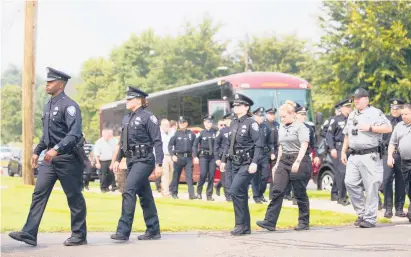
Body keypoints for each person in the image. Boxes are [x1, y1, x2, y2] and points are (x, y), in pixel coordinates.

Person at [9, 67, 87, 246]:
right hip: (50, 160)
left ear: (61, 84)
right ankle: (29, 233)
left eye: (51, 82)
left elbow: (74, 134)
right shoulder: (48, 105)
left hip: (68, 159)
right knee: (39, 193)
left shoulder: (70, 106)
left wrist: (57, 149)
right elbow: (46, 136)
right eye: (47, 81)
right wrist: (37, 151)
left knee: (74, 197)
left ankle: (79, 235)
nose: (47, 84)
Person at [110, 86, 163, 241]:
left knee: (128, 189)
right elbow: (123, 142)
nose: (126, 101)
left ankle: (123, 231)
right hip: (132, 160)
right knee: (145, 196)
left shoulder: (148, 117)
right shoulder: (126, 118)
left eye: (129, 98)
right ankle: (153, 230)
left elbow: (157, 141)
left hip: (145, 160)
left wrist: (159, 163)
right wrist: (118, 159)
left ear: (138, 100)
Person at [256, 102, 311, 231]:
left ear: (292, 114)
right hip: (284, 159)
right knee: (277, 190)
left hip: (298, 158)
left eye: (284, 116)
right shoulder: (281, 126)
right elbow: (281, 146)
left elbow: (304, 145)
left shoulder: (300, 127)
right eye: (280, 117)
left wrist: (297, 162)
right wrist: (277, 164)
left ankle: (304, 222)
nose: (282, 119)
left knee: (299, 192)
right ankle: (270, 221)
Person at [341, 88, 392, 228]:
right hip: (354, 154)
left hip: (370, 155)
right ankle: (362, 213)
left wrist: (371, 127)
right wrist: (343, 152)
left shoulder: (375, 113)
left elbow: (388, 128)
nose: (356, 100)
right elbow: (347, 135)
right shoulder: (352, 115)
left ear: (366, 99)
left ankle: (369, 218)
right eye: (355, 98)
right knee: (349, 183)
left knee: (371, 186)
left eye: (359, 98)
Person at [219, 93, 263, 236]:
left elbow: (258, 144)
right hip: (233, 162)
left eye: (238, 105)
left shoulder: (251, 123)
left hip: (246, 162)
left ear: (246, 107)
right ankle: (245, 226)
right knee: (240, 193)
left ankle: (240, 224)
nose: (235, 107)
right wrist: (224, 160)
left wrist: (254, 162)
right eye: (235, 105)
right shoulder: (233, 123)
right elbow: (228, 143)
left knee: (235, 190)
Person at [325, 99, 353, 206]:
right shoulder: (335, 120)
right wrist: (332, 148)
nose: (349, 108)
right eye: (347, 106)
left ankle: (336, 194)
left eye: (350, 106)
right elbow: (329, 135)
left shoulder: (353, 119)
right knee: (342, 172)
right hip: (339, 148)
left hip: (351, 149)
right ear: (341, 108)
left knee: (342, 173)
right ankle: (341, 197)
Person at [382, 99, 406, 218]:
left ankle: (399, 208)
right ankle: (387, 208)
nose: (394, 110)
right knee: (386, 180)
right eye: (393, 108)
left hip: (402, 154)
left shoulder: (406, 121)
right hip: (388, 153)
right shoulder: (386, 120)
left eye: (397, 108)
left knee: (401, 181)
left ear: (402, 109)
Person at [388, 103, 411, 223]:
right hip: (404, 161)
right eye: (402, 114)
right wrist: (389, 157)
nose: (403, 116)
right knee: (407, 187)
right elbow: (392, 143)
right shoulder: (399, 126)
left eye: (406, 114)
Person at [168, 116, 196, 199]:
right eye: (180, 123)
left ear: (186, 123)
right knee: (176, 176)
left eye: (183, 123)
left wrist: (195, 156)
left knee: (189, 177)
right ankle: (174, 193)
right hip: (178, 157)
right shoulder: (176, 133)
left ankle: (192, 194)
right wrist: (172, 155)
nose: (181, 124)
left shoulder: (191, 134)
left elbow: (194, 146)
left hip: (188, 158)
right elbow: (170, 146)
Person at [251, 107, 273, 203]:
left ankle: (261, 193)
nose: (261, 118)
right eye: (259, 116)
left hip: (263, 155)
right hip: (254, 154)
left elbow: (270, 141)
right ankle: (256, 197)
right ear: (255, 116)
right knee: (255, 177)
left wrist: (271, 151)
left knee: (265, 176)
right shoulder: (251, 126)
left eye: (262, 116)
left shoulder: (265, 127)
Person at [193, 115, 217, 200]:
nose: (209, 123)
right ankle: (199, 192)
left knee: (211, 176)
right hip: (203, 157)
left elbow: (218, 145)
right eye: (207, 122)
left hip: (213, 157)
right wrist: (195, 156)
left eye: (210, 121)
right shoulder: (201, 133)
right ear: (204, 123)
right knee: (203, 174)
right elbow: (195, 145)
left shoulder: (215, 132)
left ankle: (209, 195)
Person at [321, 109, 341, 200]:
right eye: (339, 110)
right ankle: (335, 193)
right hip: (333, 148)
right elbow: (323, 132)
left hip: (343, 149)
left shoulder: (347, 119)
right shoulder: (331, 120)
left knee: (342, 172)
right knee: (338, 171)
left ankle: (339, 192)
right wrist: (331, 141)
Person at [214, 114, 234, 201]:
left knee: (232, 177)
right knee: (226, 177)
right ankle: (228, 196)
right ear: (226, 121)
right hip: (223, 157)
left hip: (234, 156)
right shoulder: (222, 131)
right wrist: (217, 158)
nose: (231, 121)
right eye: (229, 120)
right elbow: (216, 145)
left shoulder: (235, 129)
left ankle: (218, 185)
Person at [264, 108, 279, 200]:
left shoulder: (277, 125)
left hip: (276, 151)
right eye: (270, 114)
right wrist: (270, 152)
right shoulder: (263, 125)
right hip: (265, 152)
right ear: (267, 115)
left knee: (275, 174)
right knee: (264, 175)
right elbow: (264, 141)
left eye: (273, 114)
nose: (272, 115)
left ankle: (272, 194)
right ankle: (259, 193)